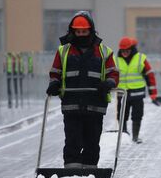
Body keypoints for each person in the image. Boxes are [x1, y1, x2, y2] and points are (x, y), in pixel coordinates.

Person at [46, 11, 118, 168]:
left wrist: (109, 83)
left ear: (90, 31)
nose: (81, 34)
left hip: (95, 103)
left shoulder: (104, 51)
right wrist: (54, 84)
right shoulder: (63, 51)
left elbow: (113, 72)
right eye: (78, 32)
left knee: (92, 139)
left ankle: (90, 171)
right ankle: (72, 169)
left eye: (84, 31)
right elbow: (55, 72)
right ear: (72, 31)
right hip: (71, 104)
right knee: (73, 138)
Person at [116, 36, 158, 144]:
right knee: (121, 115)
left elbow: (150, 76)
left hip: (137, 93)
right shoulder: (116, 60)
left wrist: (153, 94)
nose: (125, 53)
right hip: (122, 93)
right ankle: (123, 134)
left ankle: (135, 136)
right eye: (123, 50)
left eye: (127, 50)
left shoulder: (140, 59)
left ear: (132, 49)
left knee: (137, 115)